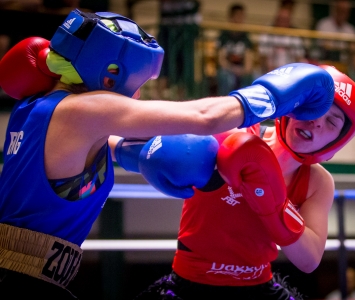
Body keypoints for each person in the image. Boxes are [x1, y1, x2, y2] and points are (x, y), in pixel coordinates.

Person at [0, 8, 336, 299]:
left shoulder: (36, 106)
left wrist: (143, 156)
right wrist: (273, 94)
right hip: (20, 280)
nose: (139, 91)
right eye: (139, 79)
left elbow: (105, 148)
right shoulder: (86, 110)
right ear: (111, 72)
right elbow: (206, 118)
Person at [126, 64, 355, 300]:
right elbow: (133, 133)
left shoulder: (317, 182)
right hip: (187, 285)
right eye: (314, 108)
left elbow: (310, 260)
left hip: (259, 287)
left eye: (332, 121)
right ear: (294, 106)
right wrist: (138, 153)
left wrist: (272, 200)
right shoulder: (231, 132)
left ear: (337, 141)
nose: (317, 121)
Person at [216, 3, 254, 96]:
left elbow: (249, 61)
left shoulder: (246, 37)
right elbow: (221, 60)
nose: (240, 19)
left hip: (241, 70)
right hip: (227, 69)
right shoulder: (223, 36)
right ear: (231, 17)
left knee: (253, 77)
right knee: (226, 77)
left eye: (242, 16)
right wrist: (232, 69)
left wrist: (242, 70)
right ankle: (224, 103)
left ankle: (245, 105)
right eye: (237, 16)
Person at [259, 3, 306, 74]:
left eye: (286, 20)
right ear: (276, 19)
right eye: (281, 19)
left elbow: (299, 57)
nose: (283, 22)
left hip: (289, 72)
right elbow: (262, 56)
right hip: (270, 71)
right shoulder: (268, 33)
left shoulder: (294, 35)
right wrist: (267, 69)